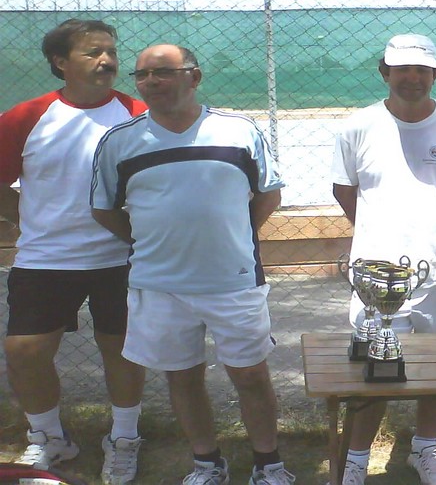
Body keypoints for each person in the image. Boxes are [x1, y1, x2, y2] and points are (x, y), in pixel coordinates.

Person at [89, 44, 294, 485]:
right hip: (158, 286)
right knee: (182, 378)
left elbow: (268, 194)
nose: (150, 82)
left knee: (251, 377)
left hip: (234, 282)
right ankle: (207, 464)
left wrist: (232, 235)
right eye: (142, 75)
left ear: (194, 77)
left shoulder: (239, 131)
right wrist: (149, 244)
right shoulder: (119, 142)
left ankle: (269, 465)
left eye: (163, 72)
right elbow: (104, 209)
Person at [331, 33, 436, 485]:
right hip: (378, 281)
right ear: (384, 72)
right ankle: (355, 461)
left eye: (422, 69)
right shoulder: (357, 126)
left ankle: (425, 449)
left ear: (435, 74)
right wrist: (380, 238)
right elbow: (345, 191)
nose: (412, 77)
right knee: (372, 373)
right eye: (401, 68)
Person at [0, 19, 147, 484]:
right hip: (45, 259)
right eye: (92, 52)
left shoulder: (139, 113)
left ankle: (124, 439)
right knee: (25, 351)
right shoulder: (26, 117)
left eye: (111, 52)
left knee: (122, 349)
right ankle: (49, 439)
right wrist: (26, 217)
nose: (106, 60)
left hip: (121, 258)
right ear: (60, 62)